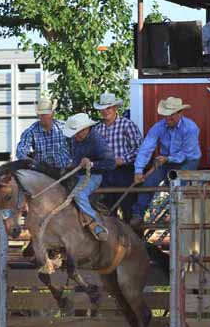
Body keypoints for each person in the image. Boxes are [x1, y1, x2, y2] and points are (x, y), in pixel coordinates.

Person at [129, 97, 201, 229]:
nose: (168, 118)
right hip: (167, 160)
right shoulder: (158, 127)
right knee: (149, 182)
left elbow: (186, 153)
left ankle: (179, 214)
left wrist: (167, 159)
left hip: (188, 160)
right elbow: (146, 148)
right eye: (166, 115)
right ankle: (138, 214)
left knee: (179, 184)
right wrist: (138, 170)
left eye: (171, 115)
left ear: (180, 113)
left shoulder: (190, 128)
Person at [62, 113, 116, 242]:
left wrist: (91, 164)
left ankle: (96, 225)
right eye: (75, 132)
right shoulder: (76, 139)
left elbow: (111, 163)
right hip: (78, 174)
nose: (76, 135)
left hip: (94, 176)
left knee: (79, 194)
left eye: (78, 132)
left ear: (86, 129)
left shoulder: (97, 141)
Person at [93, 92, 143, 222]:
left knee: (128, 210)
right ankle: (112, 241)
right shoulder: (97, 129)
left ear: (115, 108)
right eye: (102, 109)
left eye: (108, 108)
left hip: (124, 172)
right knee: (106, 211)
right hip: (105, 174)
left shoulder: (127, 125)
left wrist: (123, 159)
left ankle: (135, 240)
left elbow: (139, 149)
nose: (105, 111)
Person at [16, 97, 71, 169]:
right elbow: (20, 151)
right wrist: (30, 161)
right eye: (42, 114)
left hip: (64, 170)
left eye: (47, 113)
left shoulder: (64, 127)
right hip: (42, 172)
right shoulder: (31, 131)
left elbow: (76, 143)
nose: (44, 117)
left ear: (53, 113)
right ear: (38, 116)